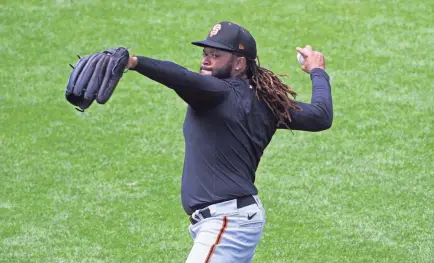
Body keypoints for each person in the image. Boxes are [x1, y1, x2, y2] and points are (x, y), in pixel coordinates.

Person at [126, 21, 333, 263]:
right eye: (205, 53)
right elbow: (321, 115)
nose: (206, 60)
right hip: (232, 219)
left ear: (239, 63)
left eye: (216, 55)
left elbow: (180, 77)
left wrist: (135, 62)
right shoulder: (267, 101)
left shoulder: (217, 93)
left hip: (227, 221)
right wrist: (318, 71)